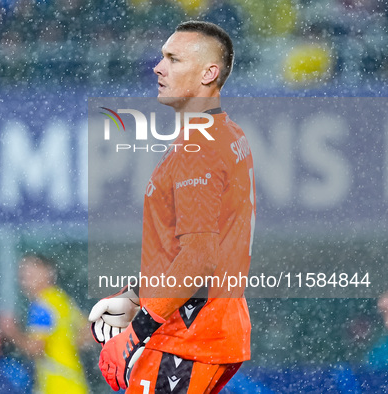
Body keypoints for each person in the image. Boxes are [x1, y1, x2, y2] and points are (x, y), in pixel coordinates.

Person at [89, 21, 256, 393]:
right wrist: (136, 295)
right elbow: (191, 252)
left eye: (173, 59)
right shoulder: (226, 134)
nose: (158, 67)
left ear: (208, 73)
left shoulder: (197, 151)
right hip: (211, 330)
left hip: (189, 338)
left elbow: (199, 259)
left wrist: (135, 332)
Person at [0, 253, 90, 393]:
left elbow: (35, 349)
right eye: (23, 272)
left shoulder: (42, 306)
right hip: (74, 382)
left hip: (57, 386)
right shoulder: (60, 299)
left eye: (31, 271)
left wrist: (12, 331)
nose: (25, 276)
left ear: (48, 273)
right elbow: (88, 332)